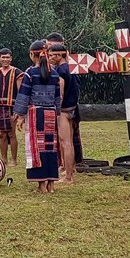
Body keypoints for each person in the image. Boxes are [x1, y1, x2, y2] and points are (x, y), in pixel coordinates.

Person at [14, 40, 63, 194]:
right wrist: (57, 113)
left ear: (31, 54)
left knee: (37, 148)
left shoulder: (30, 73)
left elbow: (24, 94)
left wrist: (20, 116)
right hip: (50, 113)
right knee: (51, 147)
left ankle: (41, 186)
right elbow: (57, 97)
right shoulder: (54, 73)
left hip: (36, 114)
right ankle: (51, 185)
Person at [48, 41, 82, 184]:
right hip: (72, 108)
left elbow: (60, 92)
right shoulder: (71, 68)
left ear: (58, 55)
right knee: (70, 143)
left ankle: (68, 177)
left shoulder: (60, 71)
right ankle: (70, 170)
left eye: (51, 56)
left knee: (65, 142)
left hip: (64, 110)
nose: (49, 58)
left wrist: (56, 108)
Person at [0, 48, 23, 167]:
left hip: (12, 106)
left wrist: (19, 110)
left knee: (11, 133)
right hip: (0, 107)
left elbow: (20, 92)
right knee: (1, 133)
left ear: (11, 58)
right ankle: (3, 159)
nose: (5, 60)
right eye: (3, 57)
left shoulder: (17, 72)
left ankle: (13, 159)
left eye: (7, 57)